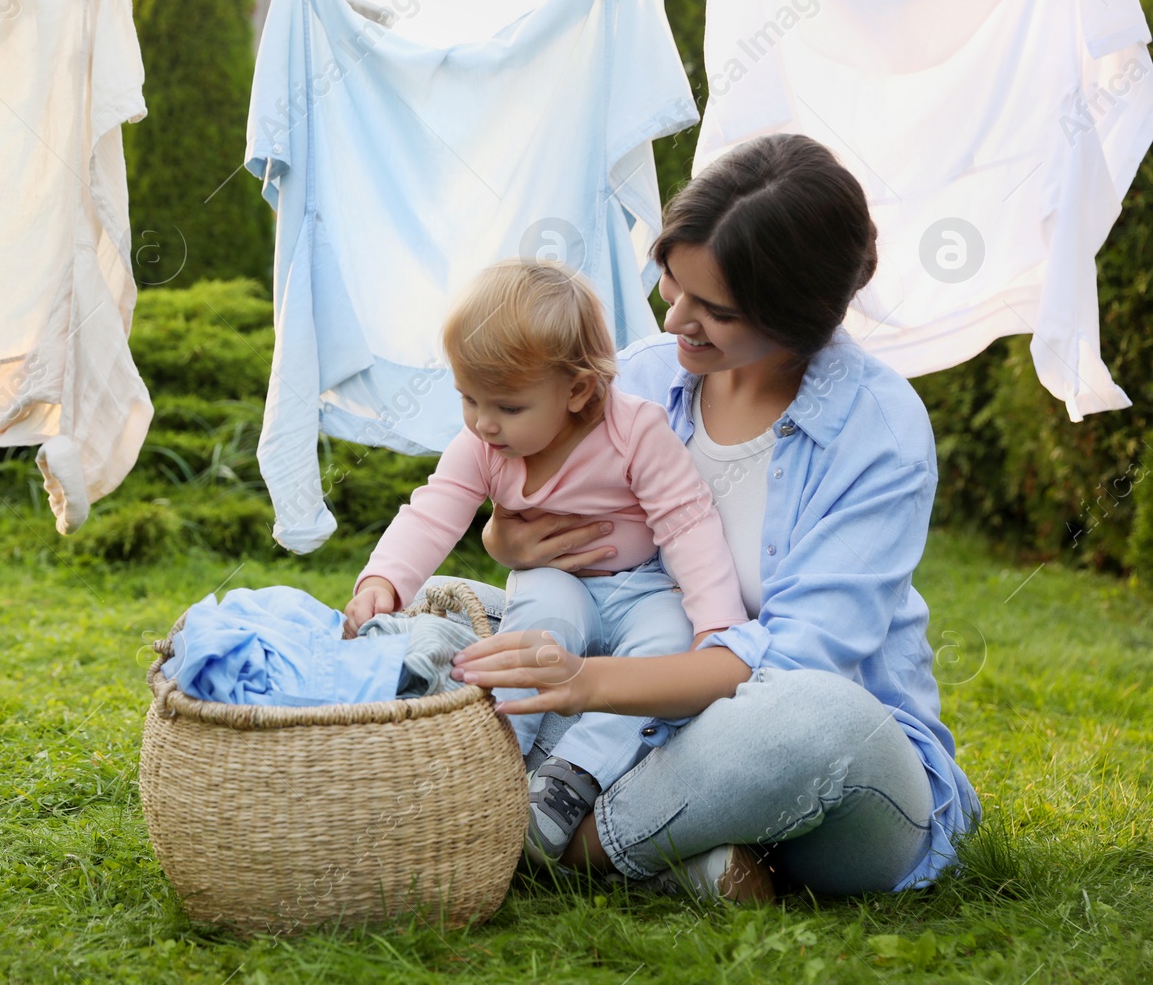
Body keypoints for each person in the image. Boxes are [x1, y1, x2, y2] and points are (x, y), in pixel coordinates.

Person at [445, 133, 981, 902]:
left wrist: (586, 682)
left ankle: (567, 840)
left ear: (796, 316)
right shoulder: (641, 377)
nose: (675, 322)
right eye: (673, 286)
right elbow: (553, 539)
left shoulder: (879, 428)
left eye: (713, 310)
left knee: (818, 721)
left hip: (802, 752)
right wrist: (507, 536)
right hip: (639, 698)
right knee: (460, 619)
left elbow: (791, 668)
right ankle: (693, 855)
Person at [344, 259, 747, 866]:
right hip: (557, 579)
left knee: (672, 645)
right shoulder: (484, 447)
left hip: (644, 588)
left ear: (578, 390)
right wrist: (384, 580)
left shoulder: (634, 431)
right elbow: (434, 511)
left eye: (506, 407)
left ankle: (568, 781)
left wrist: (717, 621)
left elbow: (688, 522)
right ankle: (499, 753)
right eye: (467, 399)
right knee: (538, 617)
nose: (483, 422)